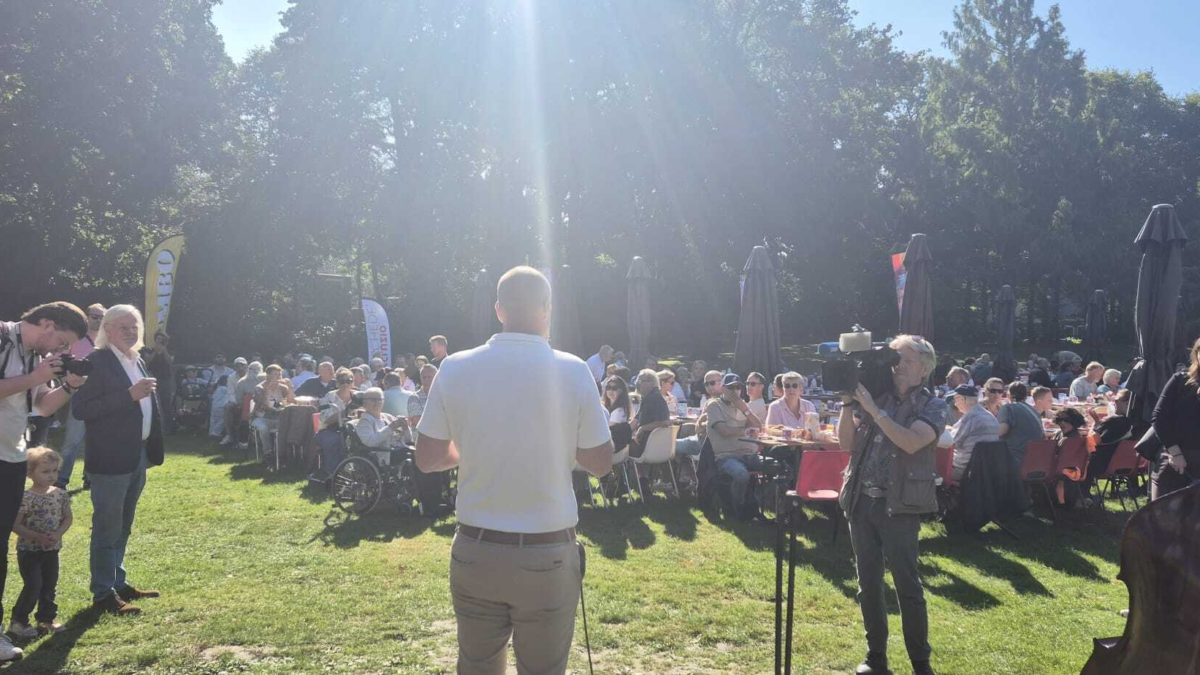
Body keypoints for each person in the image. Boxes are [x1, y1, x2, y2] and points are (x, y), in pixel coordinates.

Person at [414, 266, 612, 674]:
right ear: (547, 310)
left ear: (499, 310)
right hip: (547, 552)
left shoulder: (454, 367)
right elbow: (600, 463)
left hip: (476, 549)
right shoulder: (574, 369)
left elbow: (428, 458)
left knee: (478, 666)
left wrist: (472, 450)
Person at [837, 335, 945, 675]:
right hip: (861, 501)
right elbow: (846, 444)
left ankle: (920, 664)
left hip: (899, 505)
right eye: (894, 358)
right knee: (867, 584)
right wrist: (845, 403)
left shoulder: (933, 405)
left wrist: (873, 410)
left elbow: (911, 442)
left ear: (924, 369)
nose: (897, 365)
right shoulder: (877, 396)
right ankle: (876, 659)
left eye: (906, 360)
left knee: (907, 585)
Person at [0, 301, 88, 661]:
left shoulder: (35, 357)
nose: (62, 351)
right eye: (63, 341)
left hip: (11, 457)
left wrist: (70, 384)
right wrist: (36, 377)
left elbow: (44, 407)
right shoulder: (3, 338)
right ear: (47, 323)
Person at [72, 304, 163, 616]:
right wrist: (129, 395)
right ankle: (102, 593)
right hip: (110, 458)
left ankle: (117, 581)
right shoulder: (95, 361)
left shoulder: (136, 359)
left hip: (136, 454)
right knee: (107, 527)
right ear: (106, 330)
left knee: (123, 524)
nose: (130, 332)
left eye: (134, 326)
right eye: (123, 327)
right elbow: (81, 410)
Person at [8, 446, 72, 637]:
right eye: (45, 471)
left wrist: (58, 534)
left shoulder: (60, 494)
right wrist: (37, 537)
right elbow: (15, 525)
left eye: (54, 470)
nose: (51, 476)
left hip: (51, 549)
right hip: (29, 550)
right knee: (33, 584)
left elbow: (67, 518)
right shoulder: (25, 497)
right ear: (30, 473)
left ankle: (46, 619)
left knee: (49, 584)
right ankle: (18, 621)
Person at [58, 303, 105, 490]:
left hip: (101, 396)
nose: (98, 320)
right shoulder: (75, 338)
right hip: (79, 395)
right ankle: (61, 479)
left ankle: (89, 478)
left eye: (102, 317)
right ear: (87, 317)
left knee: (97, 439)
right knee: (73, 440)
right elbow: (61, 362)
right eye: (95, 316)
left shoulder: (107, 341)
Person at [705, 373, 764, 521]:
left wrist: (745, 409)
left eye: (738, 387)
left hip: (750, 454)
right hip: (727, 455)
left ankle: (767, 505)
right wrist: (746, 431)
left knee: (780, 468)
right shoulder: (714, 405)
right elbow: (724, 431)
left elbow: (758, 427)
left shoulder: (743, 405)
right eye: (731, 388)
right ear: (723, 389)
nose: (735, 391)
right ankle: (738, 507)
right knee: (741, 475)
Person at [1149, 337, 1200, 501]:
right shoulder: (1180, 381)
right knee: (1162, 517)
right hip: (1175, 459)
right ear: (1196, 355)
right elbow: (1159, 417)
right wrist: (1175, 453)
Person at [310, 368, 358, 481]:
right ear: (337, 383)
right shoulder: (330, 397)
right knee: (336, 440)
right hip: (329, 429)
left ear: (353, 382)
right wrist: (345, 412)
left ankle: (359, 471)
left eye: (349, 380)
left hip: (352, 428)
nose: (346, 384)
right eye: (342, 381)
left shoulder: (358, 396)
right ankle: (333, 474)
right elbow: (325, 420)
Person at [948, 385, 1000, 481]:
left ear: (963, 399)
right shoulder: (991, 417)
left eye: (956, 399)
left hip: (965, 470)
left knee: (932, 467)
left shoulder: (969, 417)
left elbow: (952, 443)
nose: (955, 404)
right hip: (987, 470)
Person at [1087, 389, 1134, 483]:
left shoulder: (1116, 422)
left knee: (1076, 457)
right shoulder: (1135, 422)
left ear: (1128, 403)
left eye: (1118, 399)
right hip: (1126, 464)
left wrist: (1095, 423)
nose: (1115, 401)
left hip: (1102, 463)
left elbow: (1095, 441)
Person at [997, 382, 1043, 470]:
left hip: (1016, 461)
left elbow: (1001, 431)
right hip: (1037, 461)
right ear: (1026, 395)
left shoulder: (1007, 408)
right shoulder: (1033, 410)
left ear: (1008, 395)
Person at [251, 364, 293, 455]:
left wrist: (290, 387)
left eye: (280, 374)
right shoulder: (259, 388)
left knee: (288, 426)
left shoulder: (283, 387)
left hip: (279, 417)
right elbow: (263, 405)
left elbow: (291, 401)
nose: (279, 377)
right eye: (275, 374)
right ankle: (268, 452)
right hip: (262, 417)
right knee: (263, 428)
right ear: (268, 375)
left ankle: (282, 452)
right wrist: (268, 390)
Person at [630, 369, 672, 459]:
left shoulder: (654, 398)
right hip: (645, 443)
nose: (637, 383)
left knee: (613, 448)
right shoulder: (647, 398)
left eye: (640, 381)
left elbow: (664, 422)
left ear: (651, 383)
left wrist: (642, 428)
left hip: (646, 447)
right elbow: (635, 420)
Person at [142, 331, 174, 434]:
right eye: (158, 339)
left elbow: (170, 361)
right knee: (152, 403)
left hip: (166, 380)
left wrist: (163, 351)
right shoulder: (149, 350)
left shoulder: (169, 350)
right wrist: (155, 352)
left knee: (166, 404)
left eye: (161, 339)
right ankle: (153, 428)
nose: (159, 341)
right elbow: (147, 362)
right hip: (153, 379)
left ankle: (168, 429)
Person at [219, 357, 251, 446]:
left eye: (242, 365)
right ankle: (229, 435)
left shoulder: (251, 376)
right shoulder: (231, 377)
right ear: (235, 367)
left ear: (246, 366)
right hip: (236, 401)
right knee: (227, 407)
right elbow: (230, 393)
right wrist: (238, 403)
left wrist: (245, 403)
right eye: (237, 365)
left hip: (250, 401)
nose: (240, 368)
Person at [603, 376, 633, 452]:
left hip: (611, 450)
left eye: (614, 388)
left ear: (621, 391)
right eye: (608, 387)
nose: (610, 391)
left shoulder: (619, 411)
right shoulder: (606, 407)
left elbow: (604, 429)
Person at [406, 364, 438, 431]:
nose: (426, 380)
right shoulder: (414, 398)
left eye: (429, 377)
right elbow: (419, 423)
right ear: (420, 378)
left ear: (437, 377)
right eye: (424, 377)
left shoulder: (443, 396)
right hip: (422, 438)